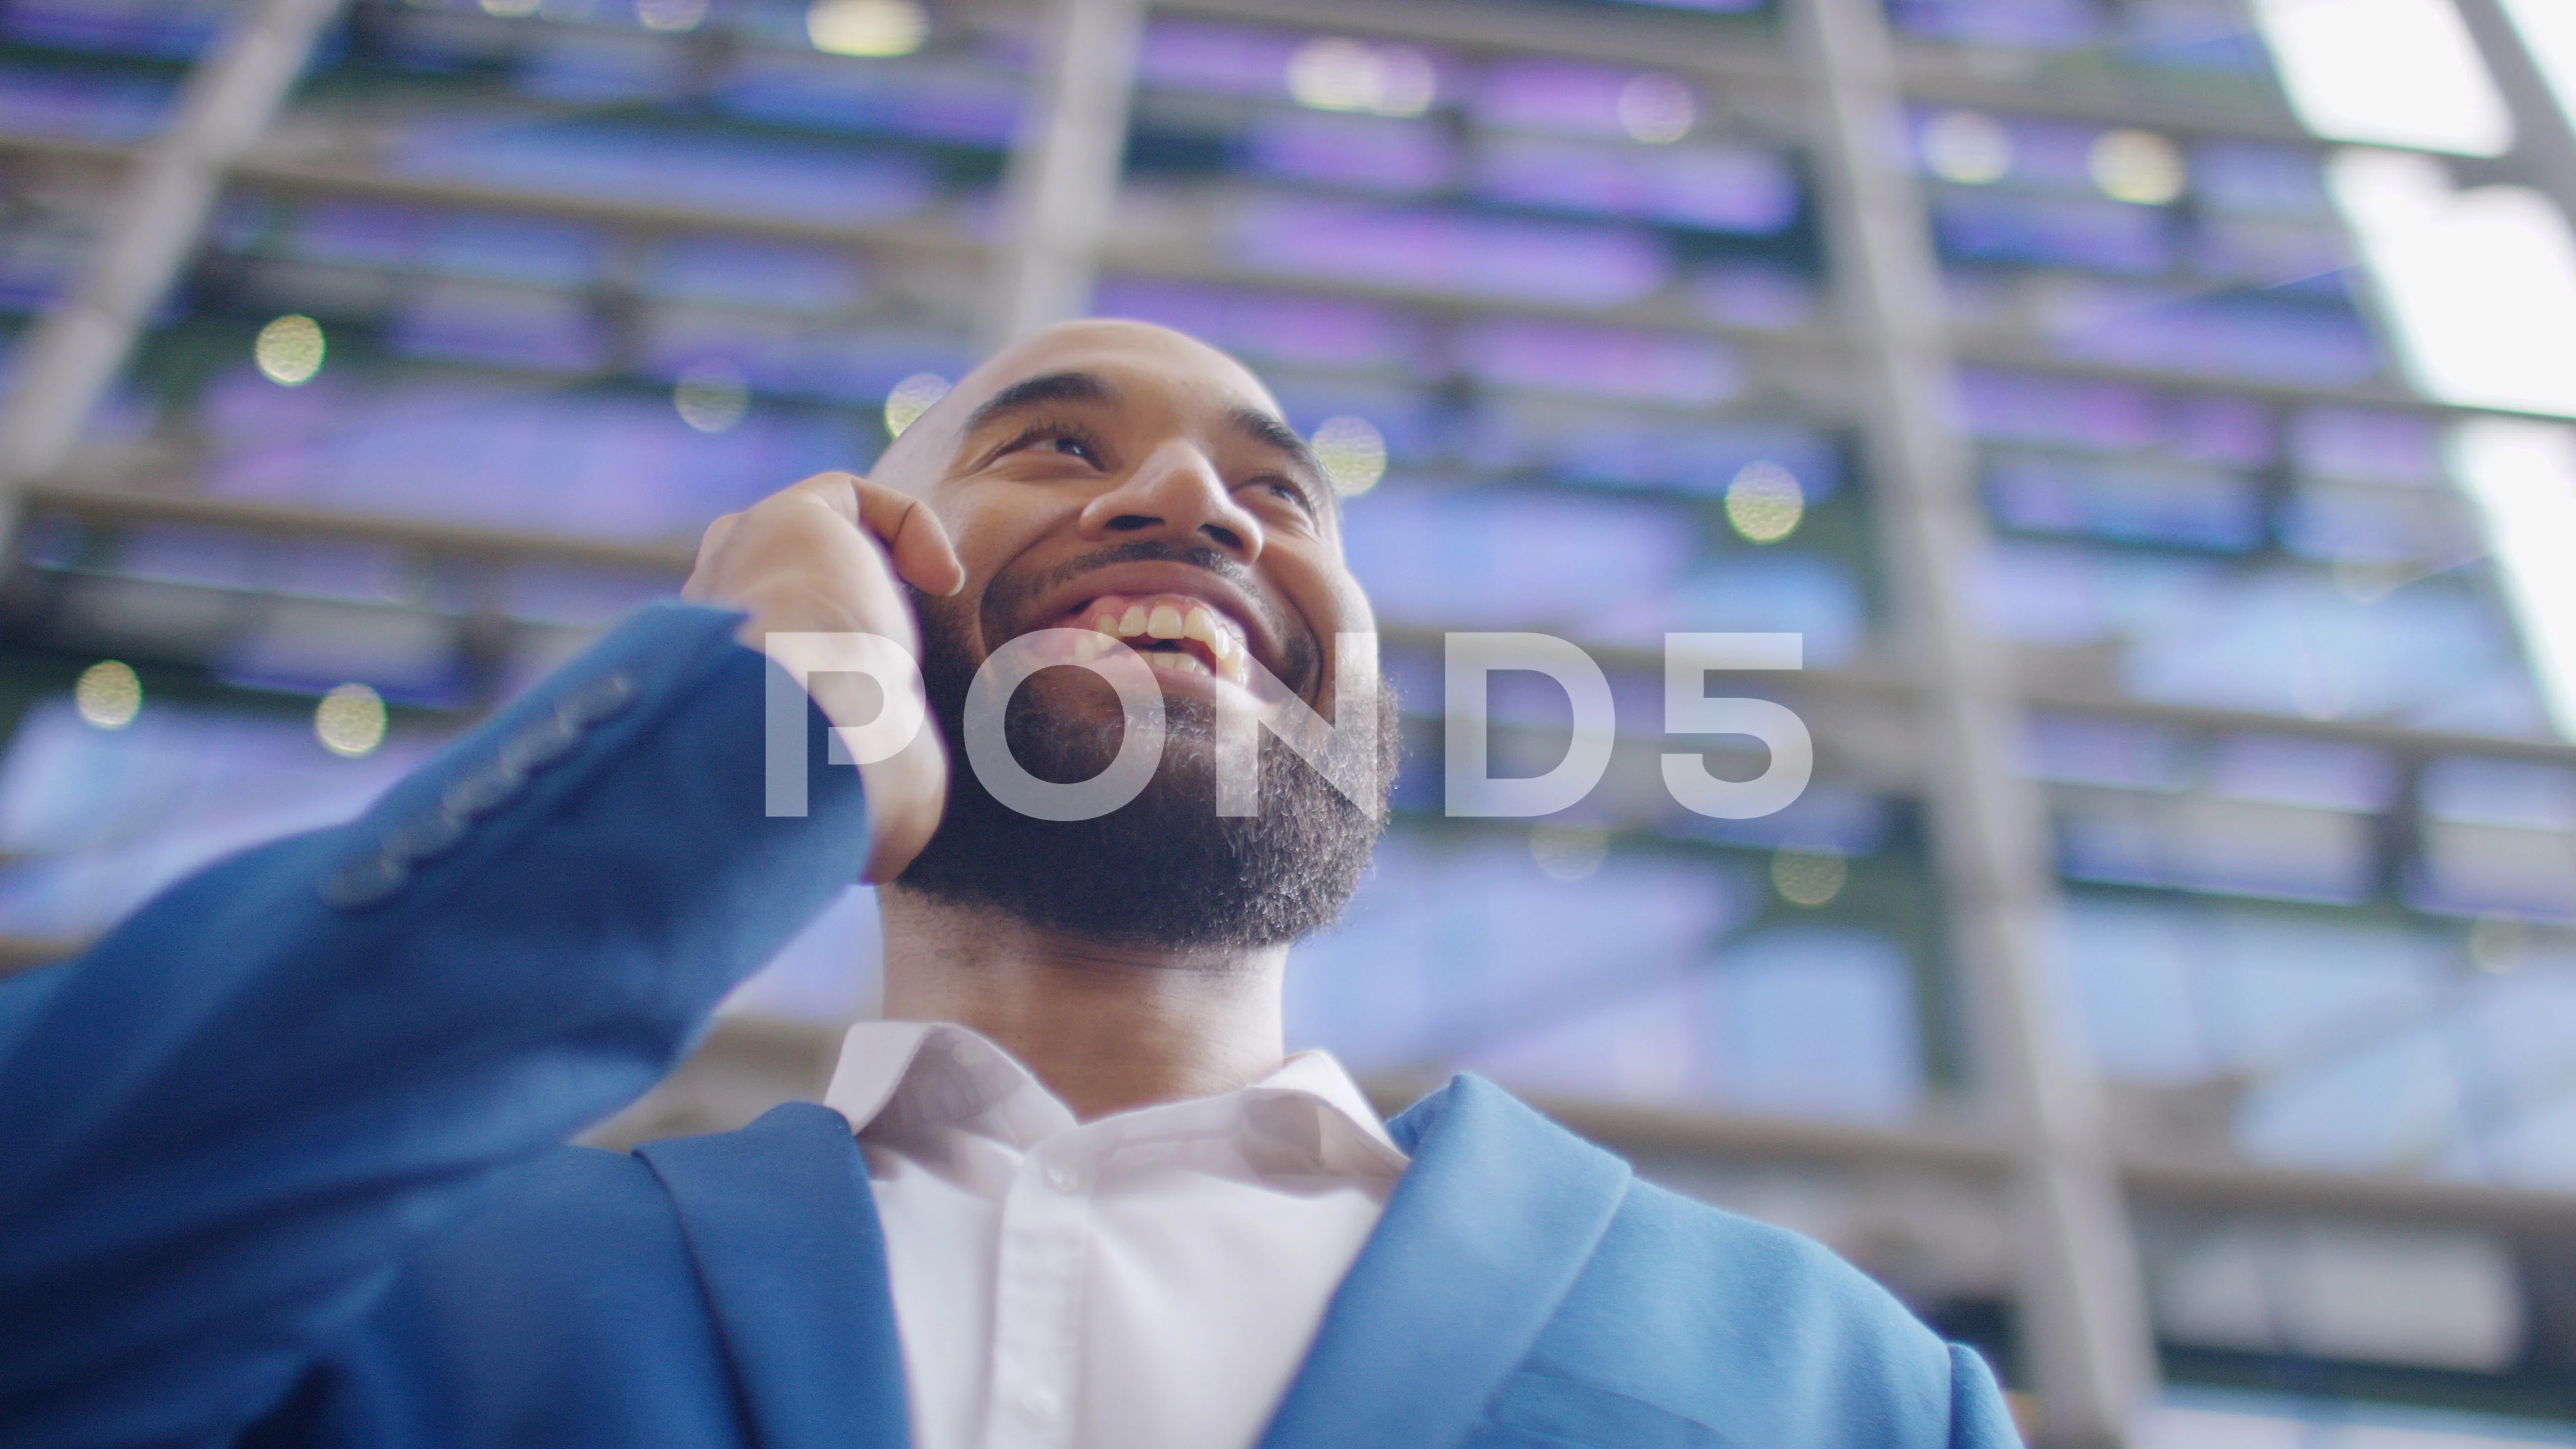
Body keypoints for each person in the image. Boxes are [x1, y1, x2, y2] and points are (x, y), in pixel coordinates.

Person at [0, 320, 2021, 1449]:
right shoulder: (401, 1285)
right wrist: (756, 721)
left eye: (1280, 491)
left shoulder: (1843, 1388)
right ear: (881, 570)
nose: (1190, 505)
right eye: (1051, 448)